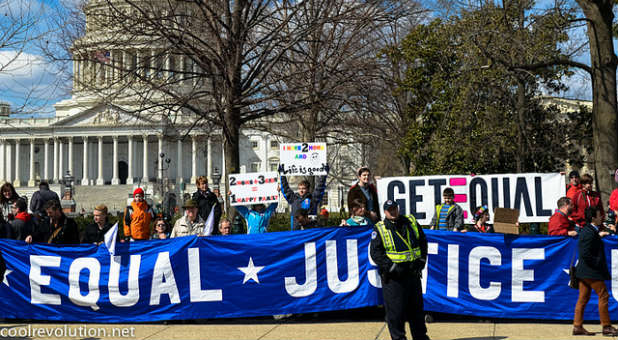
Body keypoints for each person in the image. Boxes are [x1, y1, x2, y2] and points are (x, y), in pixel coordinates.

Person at [370, 200, 429, 340]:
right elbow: (376, 253)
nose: (393, 212)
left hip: (413, 274)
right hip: (394, 279)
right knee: (396, 314)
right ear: (385, 212)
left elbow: (422, 241)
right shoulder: (380, 228)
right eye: (389, 210)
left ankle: (421, 337)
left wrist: (421, 260)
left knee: (417, 312)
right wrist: (392, 267)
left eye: (394, 209)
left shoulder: (411, 221)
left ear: (398, 208)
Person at [572, 206, 618, 336]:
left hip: (584, 271)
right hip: (590, 271)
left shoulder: (589, 230)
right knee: (603, 295)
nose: (601, 217)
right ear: (593, 218)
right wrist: (597, 264)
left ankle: (577, 326)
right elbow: (585, 253)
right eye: (599, 215)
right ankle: (606, 326)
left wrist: (599, 235)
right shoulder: (588, 232)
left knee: (583, 298)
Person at [279, 164, 328, 230]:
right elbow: (285, 189)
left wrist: (324, 175)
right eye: (299, 188)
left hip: (309, 231)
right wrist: (282, 175)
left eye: (303, 188)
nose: (301, 190)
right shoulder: (294, 199)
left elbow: (320, 188)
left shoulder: (313, 199)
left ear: (308, 189)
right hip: (296, 232)